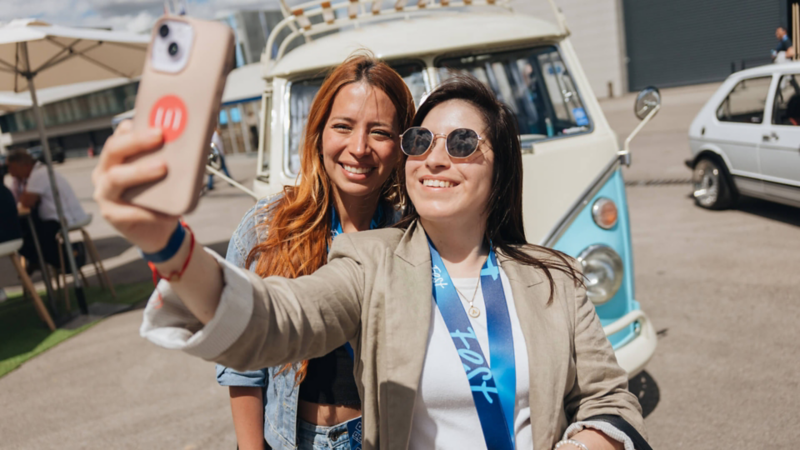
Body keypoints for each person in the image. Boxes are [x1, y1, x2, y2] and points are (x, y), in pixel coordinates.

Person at [94, 76, 650, 450]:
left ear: (499, 169)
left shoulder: (554, 278)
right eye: (419, 140)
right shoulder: (369, 261)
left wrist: (592, 441)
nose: (434, 156)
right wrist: (167, 245)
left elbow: (611, 395)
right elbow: (274, 320)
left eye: (461, 142)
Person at [216, 55, 413, 450]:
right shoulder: (266, 228)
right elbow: (241, 364)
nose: (359, 148)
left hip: (391, 437)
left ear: (401, 144)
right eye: (343, 126)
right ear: (318, 133)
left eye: (380, 132)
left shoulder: (413, 234)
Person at [7, 150, 87, 272]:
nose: (11, 174)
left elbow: (26, 202)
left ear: (24, 165)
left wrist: (20, 184)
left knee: (23, 235)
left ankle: (66, 258)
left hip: (61, 218)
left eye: (12, 168)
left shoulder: (39, 174)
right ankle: (42, 260)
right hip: (60, 218)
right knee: (26, 233)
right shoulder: (40, 172)